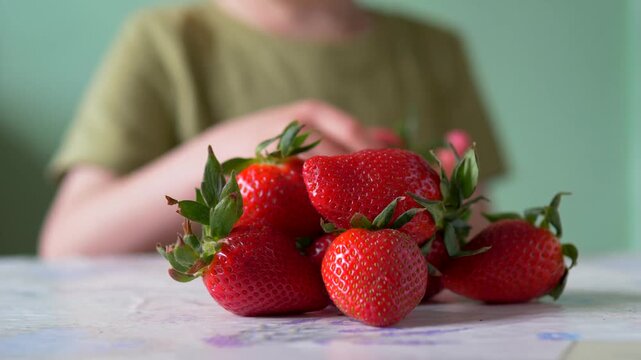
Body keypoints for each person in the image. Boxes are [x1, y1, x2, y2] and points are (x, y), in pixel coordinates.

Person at [39, 0, 505, 258]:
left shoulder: (435, 52)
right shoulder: (163, 42)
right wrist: (226, 148)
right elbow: (68, 244)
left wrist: (442, 203)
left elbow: (472, 235)